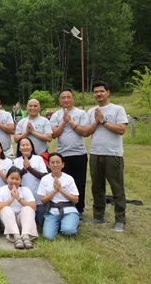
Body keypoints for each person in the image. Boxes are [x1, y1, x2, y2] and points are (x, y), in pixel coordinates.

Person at [86, 81, 128, 232]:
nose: (98, 94)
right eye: (96, 92)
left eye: (101, 91)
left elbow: (121, 129)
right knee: (97, 186)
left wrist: (103, 121)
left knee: (117, 187)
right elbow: (87, 132)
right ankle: (98, 216)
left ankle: (120, 220)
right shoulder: (91, 111)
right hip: (96, 153)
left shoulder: (118, 109)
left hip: (113, 153)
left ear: (108, 92)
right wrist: (96, 122)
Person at [50, 88, 90, 218]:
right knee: (64, 183)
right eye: (63, 97)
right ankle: (66, 207)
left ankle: (79, 209)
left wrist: (71, 121)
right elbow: (54, 134)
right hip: (63, 154)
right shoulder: (56, 115)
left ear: (73, 99)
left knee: (79, 182)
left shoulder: (81, 113)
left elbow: (84, 132)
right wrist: (63, 121)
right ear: (60, 100)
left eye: (68, 97)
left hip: (79, 153)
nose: (66, 100)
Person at [38, 153, 79, 240]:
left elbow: (76, 200)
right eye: (52, 163)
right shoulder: (45, 179)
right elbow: (43, 200)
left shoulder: (69, 178)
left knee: (69, 231)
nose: (55, 165)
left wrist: (61, 190)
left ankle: (69, 223)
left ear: (63, 164)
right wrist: (55, 190)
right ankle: (62, 224)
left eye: (58, 162)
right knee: (48, 236)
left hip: (68, 210)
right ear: (48, 165)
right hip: (52, 211)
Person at [0, 167, 37, 249]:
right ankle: (16, 237)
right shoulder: (0, 190)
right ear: (7, 178)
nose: (14, 181)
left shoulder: (25, 190)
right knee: (6, 209)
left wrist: (19, 199)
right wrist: (11, 199)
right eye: (12, 178)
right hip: (7, 224)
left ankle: (26, 236)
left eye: (17, 179)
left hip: (22, 223)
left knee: (27, 208)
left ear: (20, 180)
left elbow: (34, 207)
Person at [13, 137, 48, 226]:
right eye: (22, 145)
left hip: (38, 198)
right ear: (19, 148)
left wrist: (29, 168)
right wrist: (24, 170)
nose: (25, 147)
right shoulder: (16, 161)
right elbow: (13, 178)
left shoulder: (39, 159)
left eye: (27, 145)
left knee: (40, 223)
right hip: (23, 199)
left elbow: (45, 177)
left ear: (31, 147)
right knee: (27, 222)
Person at [14, 99, 53, 164]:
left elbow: (49, 138)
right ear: (27, 107)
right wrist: (26, 133)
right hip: (24, 157)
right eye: (30, 106)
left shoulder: (45, 121)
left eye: (35, 106)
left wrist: (33, 132)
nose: (32, 108)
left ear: (39, 108)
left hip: (41, 155)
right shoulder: (22, 122)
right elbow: (16, 139)